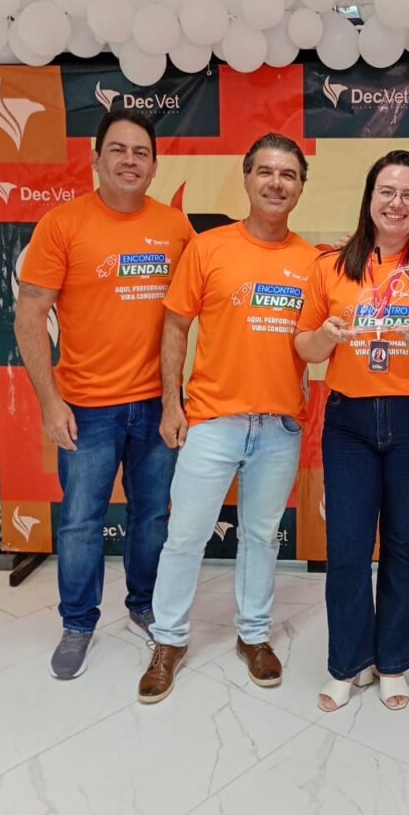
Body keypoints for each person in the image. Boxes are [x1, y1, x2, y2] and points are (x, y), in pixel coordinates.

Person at [137, 133, 318, 704]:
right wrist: (171, 403)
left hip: (279, 427)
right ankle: (168, 640)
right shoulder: (209, 248)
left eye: (288, 175)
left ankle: (254, 635)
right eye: (265, 171)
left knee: (261, 537)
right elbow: (175, 326)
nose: (276, 183)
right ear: (246, 179)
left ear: (300, 187)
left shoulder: (313, 261)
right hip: (212, 421)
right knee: (185, 536)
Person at [14, 108, 193, 680]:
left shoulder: (175, 228)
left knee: (152, 517)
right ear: (95, 159)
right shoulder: (61, 225)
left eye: (141, 153)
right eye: (118, 149)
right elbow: (29, 315)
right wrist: (50, 401)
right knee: (80, 522)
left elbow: (210, 294)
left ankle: (143, 605)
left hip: (156, 405)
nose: (129, 161)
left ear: (155, 166)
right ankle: (77, 622)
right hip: (86, 409)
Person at [295, 150, 409, 712]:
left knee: (404, 544)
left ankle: (393, 662)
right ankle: (347, 663)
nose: (397, 203)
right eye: (387, 192)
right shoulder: (331, 266)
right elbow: (304, 347)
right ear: (370, 199)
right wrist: (326, 336)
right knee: (347, 547)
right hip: (348, 421)